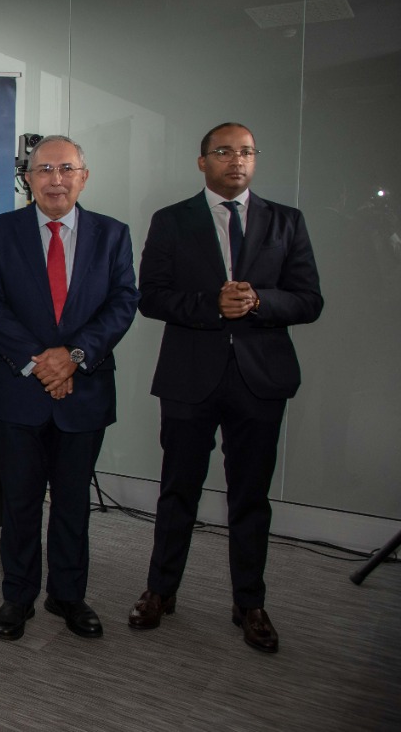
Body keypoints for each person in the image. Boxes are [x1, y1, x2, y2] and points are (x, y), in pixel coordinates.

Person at [128, 122, 323, 653]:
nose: (237, 160)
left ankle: (250, 603)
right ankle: (160, 591)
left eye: (246, 152)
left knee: (250, 496)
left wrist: (260, 301)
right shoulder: (171, 220)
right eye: (224, 151)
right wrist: (211, 304)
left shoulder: (286, 221)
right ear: (202, 161)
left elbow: (309, 300)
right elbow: (151, 297)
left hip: (261, 379)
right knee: (178, 490)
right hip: (189, 376)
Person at [0, 135, 138, 641]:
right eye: (44, 169)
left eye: (66, 169)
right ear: (28, 178)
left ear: (83, 177)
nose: (56, 179)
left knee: (72, 502)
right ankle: (17, 596)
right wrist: (40, 363)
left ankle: (67, 595)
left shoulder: (113, 234)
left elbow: (123, 302)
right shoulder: (0, 231)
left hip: (84, 389)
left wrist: (74, 357)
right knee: (19, 502)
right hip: (17, 391)